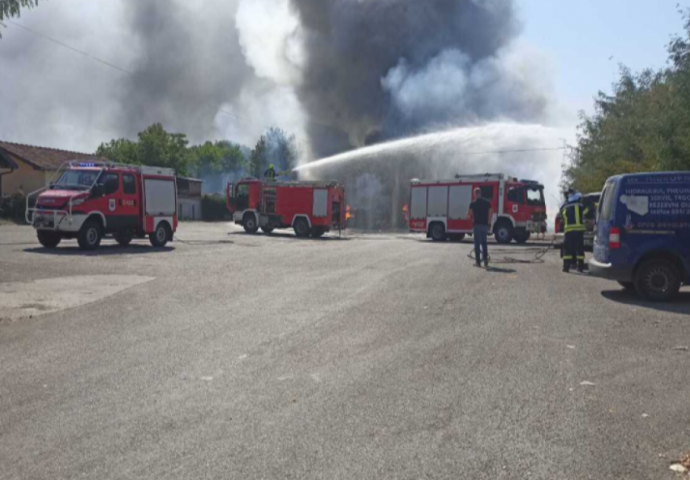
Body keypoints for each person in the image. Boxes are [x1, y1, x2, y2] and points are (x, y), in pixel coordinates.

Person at [561, 191, 589, 273]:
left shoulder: (565, 206)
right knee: (579, 249)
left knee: (567, 250)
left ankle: (566, 267)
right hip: (579, 231)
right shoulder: (580, 205)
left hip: (568, 231)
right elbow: (586, 211)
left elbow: (563, 216)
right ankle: (580, 267)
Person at [468, 187, 493, 268]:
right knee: (484, 243)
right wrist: (489, 223)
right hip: (485, 225)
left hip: (477, 225)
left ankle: (478, 262)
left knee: (477, 244)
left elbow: (469, 215)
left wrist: (469, 214)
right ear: (481, 193)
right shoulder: (487, 203)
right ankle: (485, 261)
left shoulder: (473, 203)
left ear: (475, 194)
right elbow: (490, 213)